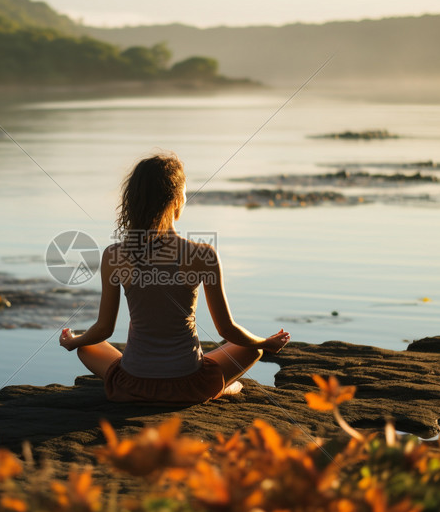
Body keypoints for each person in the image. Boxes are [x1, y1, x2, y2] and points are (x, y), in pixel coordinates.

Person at [59, 152, 290, 403]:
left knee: (86, 348)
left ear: (134, 201)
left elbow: (104, 328)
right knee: (252, 348)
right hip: (189, 383)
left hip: (134, 383)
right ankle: (221, 387)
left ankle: (212, 385)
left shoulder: (114, 255)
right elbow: (227, 329)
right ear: (177, 199)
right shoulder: (203, 254)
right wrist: (265, 342)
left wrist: (74, 341)